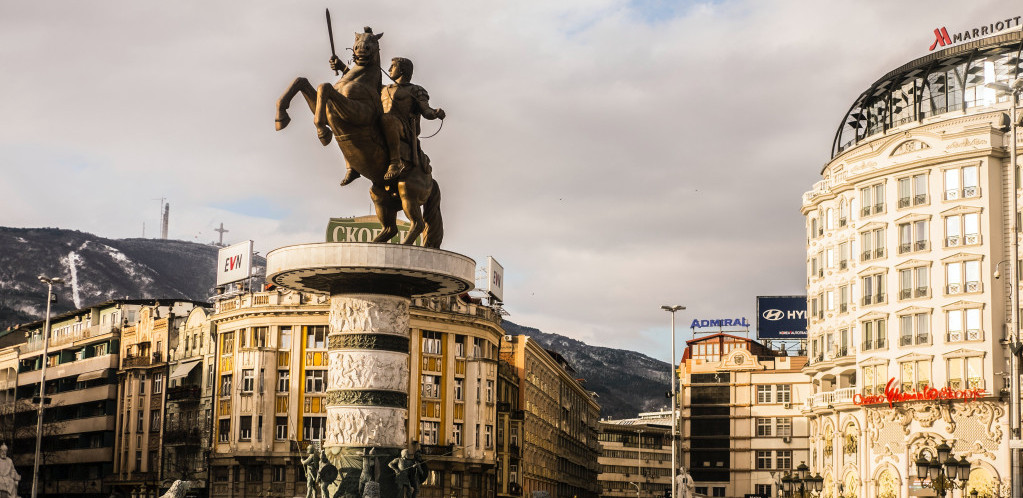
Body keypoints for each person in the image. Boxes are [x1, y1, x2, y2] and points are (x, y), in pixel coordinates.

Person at [378, 57, 445, 181]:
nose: (389, 69)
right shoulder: (383, 89)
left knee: (387, 118)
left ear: (402, 70)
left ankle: (395, 162)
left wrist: (435, 113)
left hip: (403, 128)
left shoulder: (415, 90)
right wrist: (342, 67)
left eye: (393, 66)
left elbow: (426, 111)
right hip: (382, 124)